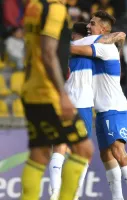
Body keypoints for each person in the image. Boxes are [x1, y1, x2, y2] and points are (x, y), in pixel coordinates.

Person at [21, 1, 94, 200]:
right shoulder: (55, 8)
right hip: (48, 93)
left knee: (39, 155)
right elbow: (47, 52)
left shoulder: (34, 6)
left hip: (31, 90)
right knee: (84, 149)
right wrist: (62, 94)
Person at [49, 22, 127, 200]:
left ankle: (54, 191)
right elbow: (112, 37)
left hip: (61, 101)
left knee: (59, 146)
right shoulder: (85, 45)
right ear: (81, 35)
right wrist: (118, 35)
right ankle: (74, 194)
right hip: (81, 104)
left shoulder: (60, 50)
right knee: (82, 151)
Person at [71, 10, 127, 200]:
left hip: (114, 107)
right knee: (106, 154)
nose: (88, 26)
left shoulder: (104, 47)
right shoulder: (103, 44)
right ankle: (117, 197)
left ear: (103, 29)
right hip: (103, 109)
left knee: (118, 151)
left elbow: (73, 49)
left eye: (92, 23)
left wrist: (61, 44)